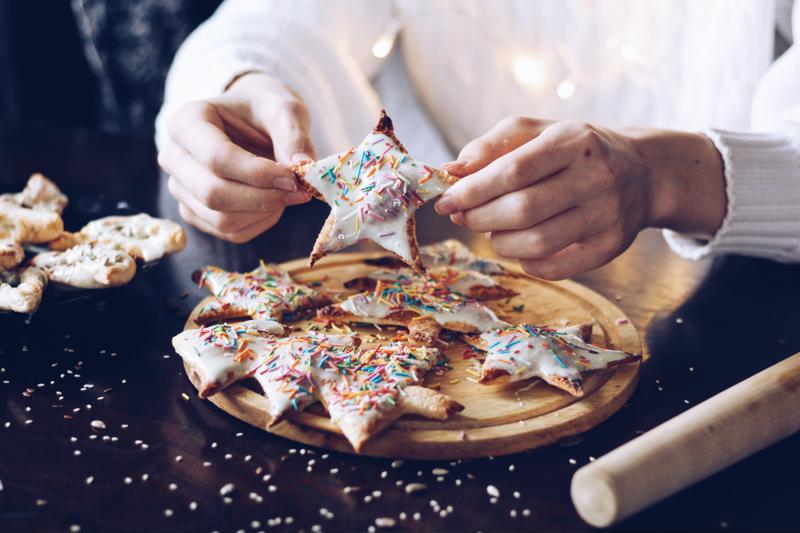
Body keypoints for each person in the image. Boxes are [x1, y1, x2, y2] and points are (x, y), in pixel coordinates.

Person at [156, 0, 800, 280]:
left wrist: (668, 175)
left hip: (739, 319)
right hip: (455, 276)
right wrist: (239, 80)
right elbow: (281, 22)